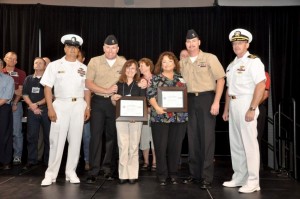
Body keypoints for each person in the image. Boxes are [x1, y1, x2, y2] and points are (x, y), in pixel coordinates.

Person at [40, 34, 91, 186]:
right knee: (56, 140)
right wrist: (50, 108)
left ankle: (71, 171)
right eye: (69, 47)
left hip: (79, 105)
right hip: (60, 105)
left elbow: (87, 89)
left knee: (75, 140)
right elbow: (48, 88)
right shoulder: (54, 65)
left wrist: (88, 107)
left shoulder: (83, 68)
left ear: (78, 50)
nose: (72, 50)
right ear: (64, 48)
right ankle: (50, 174)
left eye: (75, 47)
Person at [180, 29, 225, 189]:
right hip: (189, 100)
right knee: (192, 138)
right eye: (188, 42)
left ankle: (206, 177)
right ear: (186, 44)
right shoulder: (183, 62)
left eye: (194, 41)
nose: (191, 44)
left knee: (207, 139)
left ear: (199, 42)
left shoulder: (210, 58)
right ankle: (195, 174)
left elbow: (220, 79)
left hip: (207, 99)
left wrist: (216, 102)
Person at [222, 28, 266, 193]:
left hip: (247, 102)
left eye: (240, 43)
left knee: (249, 144)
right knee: (236, 144)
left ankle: (253, 181)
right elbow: (228, 89)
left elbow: (261, 85)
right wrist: (226, 109)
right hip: (233, 105)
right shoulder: (232, 64)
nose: (237, 45)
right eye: (234, 43)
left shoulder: (253, 61)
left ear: (247, 44)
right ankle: (240, 176)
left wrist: (252, 108)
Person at [85, 34, 126, 183]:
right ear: (103, 48)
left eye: (113, 47)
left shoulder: (123, 62)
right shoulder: (95, 61)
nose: (110, 50)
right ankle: (94, 170)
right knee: (95, 137)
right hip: (98, 102)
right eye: (108, 47)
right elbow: (88, 83)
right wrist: (106, 90)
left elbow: (128, 81)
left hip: (114, 103)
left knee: (112, 136)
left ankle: (108, 169)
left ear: (118, 48)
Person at [147, 51, 188, 186]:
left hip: (179, 118)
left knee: (175, 147)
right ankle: (162, 175)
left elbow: (186, 97)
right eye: (164, 61)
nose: (167, 64)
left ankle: (173, 174)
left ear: (174, 63)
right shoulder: (155, 78)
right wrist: (157, 107)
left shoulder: (181, 78)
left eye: (170, 61)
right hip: (160, 118)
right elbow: (150, 95)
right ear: (161, 64)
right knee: (160, 147)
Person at [111, 59, 146, 184]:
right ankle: (123, 174)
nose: (130, 70)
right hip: (121, 120)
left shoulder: (140, 84)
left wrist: (135, 116)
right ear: (124, 69)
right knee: (123, 145)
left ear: (136, 71)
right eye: (128, 68)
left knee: (134, 146)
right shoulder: (118, 84)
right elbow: (114, 102)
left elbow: (143, 102)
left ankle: (132, 174)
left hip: (136, 120)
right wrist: (113, 98)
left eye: (133, 68)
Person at [22, 57, 51, 169]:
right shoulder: (28, 79)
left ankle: (48, 161)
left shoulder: (49, 79)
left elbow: (50, 96)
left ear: (44, 66)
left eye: (40, 63)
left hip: (46, 110)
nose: (38, 64)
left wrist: (37, 104)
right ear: (33, 65)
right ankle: (31, 160)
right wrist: (32, 106)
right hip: (32, 111)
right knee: (31, 136)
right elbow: (24, 94)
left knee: (48, 137)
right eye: (36, 63)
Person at [2, 52, 27, 166]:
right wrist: (14, 91)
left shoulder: (21, 73)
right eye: (9, 58)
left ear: (16, 61)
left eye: (14, 59)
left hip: (16, 104)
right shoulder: (1, 72)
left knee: (16, 131)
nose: (11, 60)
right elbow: (15, 90)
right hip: (2, 106)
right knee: (3, 132)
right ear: (5, 59)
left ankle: (17, 156)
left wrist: (15, 102)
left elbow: (20, 91)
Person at [138, 58, 156, 171]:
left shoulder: (157, 79)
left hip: (156, 113)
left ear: (149, 66)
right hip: (143, 113)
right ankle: (145, 161)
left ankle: (154, 162)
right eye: (139, 66)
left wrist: (152, 107)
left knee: (155, 138)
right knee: (144, 137)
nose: (140, 68)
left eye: (142, 65)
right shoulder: (137, 81)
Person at [77, 49, 91, 171]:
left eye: (79, 56)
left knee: (86, 136)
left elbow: (90, 90)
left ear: (83, 59)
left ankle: (87, 160)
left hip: (85, 106)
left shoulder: (88, 71)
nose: (76, 58)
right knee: (73, 136)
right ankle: (74, 160)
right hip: (71, 106)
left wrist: (88, 107)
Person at [0, 59, 14, 170]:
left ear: (1, 67)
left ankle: (5, 161)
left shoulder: (8, 79)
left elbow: (6, 97)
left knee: (4, 134)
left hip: (3, 108)